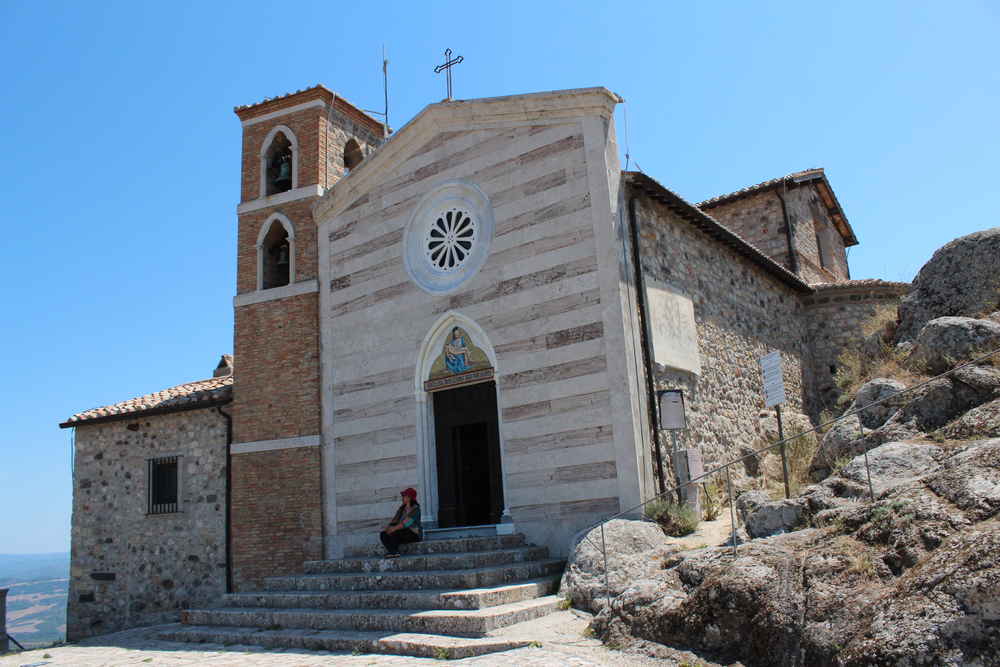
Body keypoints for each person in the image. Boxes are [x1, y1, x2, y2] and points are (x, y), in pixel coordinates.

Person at [380, 487, 422, 558]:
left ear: (410, 497)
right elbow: (394, 520)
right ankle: (392, 550)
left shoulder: (415, 509)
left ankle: (395, 550)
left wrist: (394, 528)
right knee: (383, 534)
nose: (402, 497)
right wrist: (389, 528)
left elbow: (407, 523)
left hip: (414, 533)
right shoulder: (401, 509)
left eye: (404, 496)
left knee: (394, 530)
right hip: (402, 532)